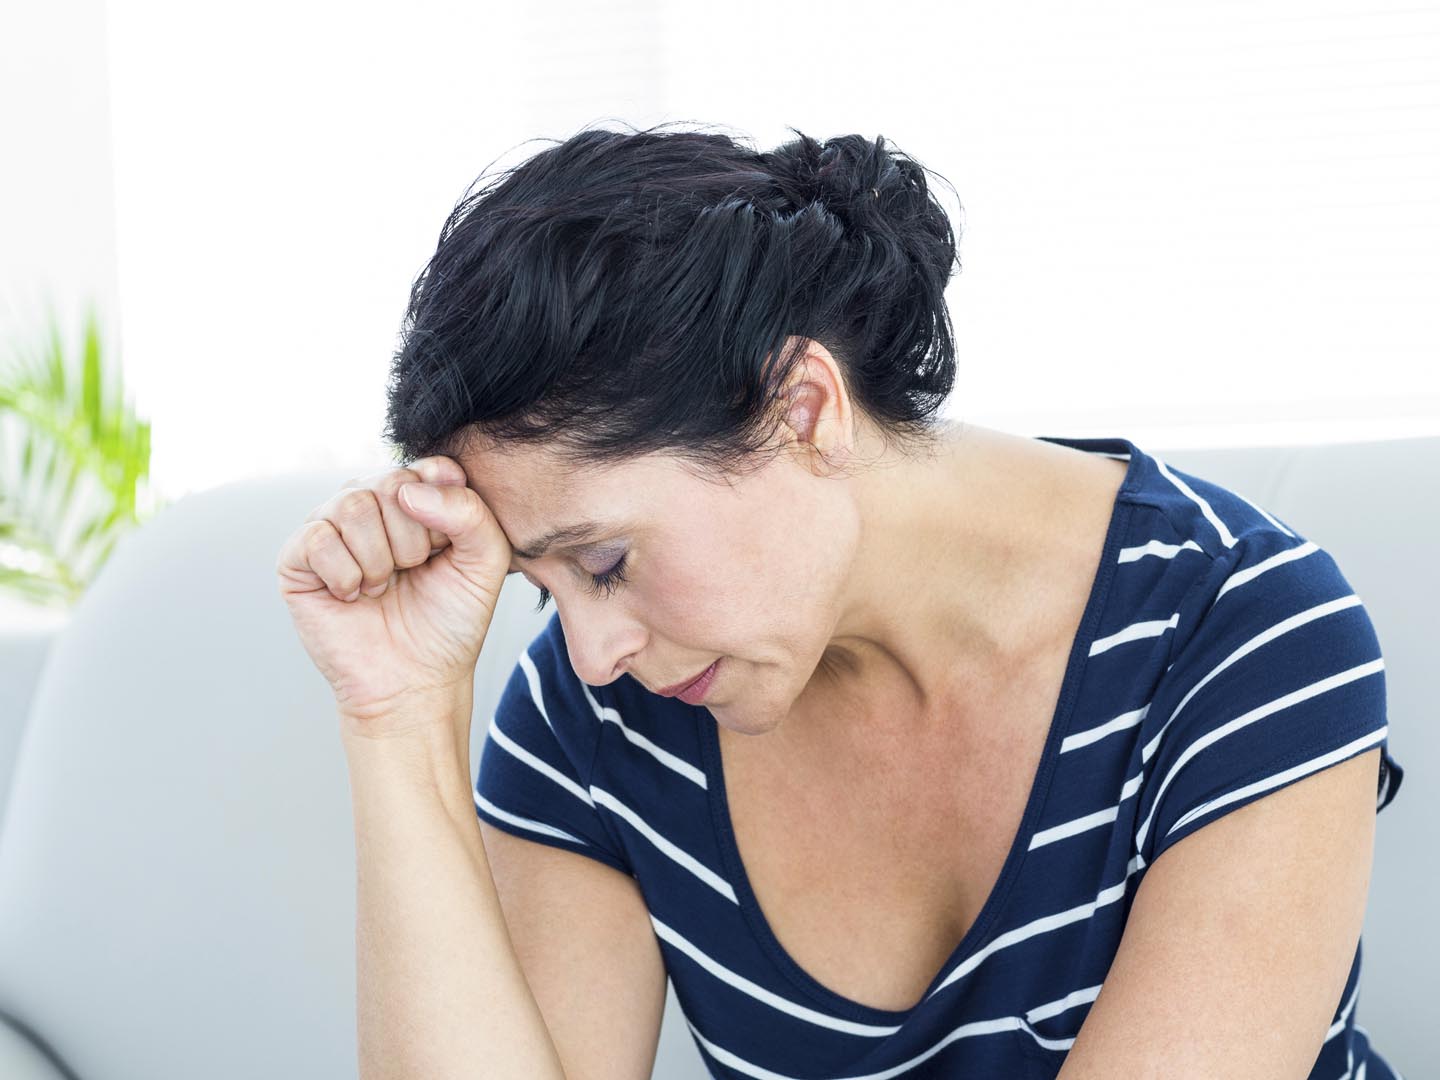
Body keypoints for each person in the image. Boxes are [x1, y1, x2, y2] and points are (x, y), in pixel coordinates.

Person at [277, 123, 1405, 1079]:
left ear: (803, 409)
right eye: (544, 587)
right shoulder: (610, 714)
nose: (592, 652)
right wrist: (398, 719)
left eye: (607, 561)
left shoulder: (1242, 637)